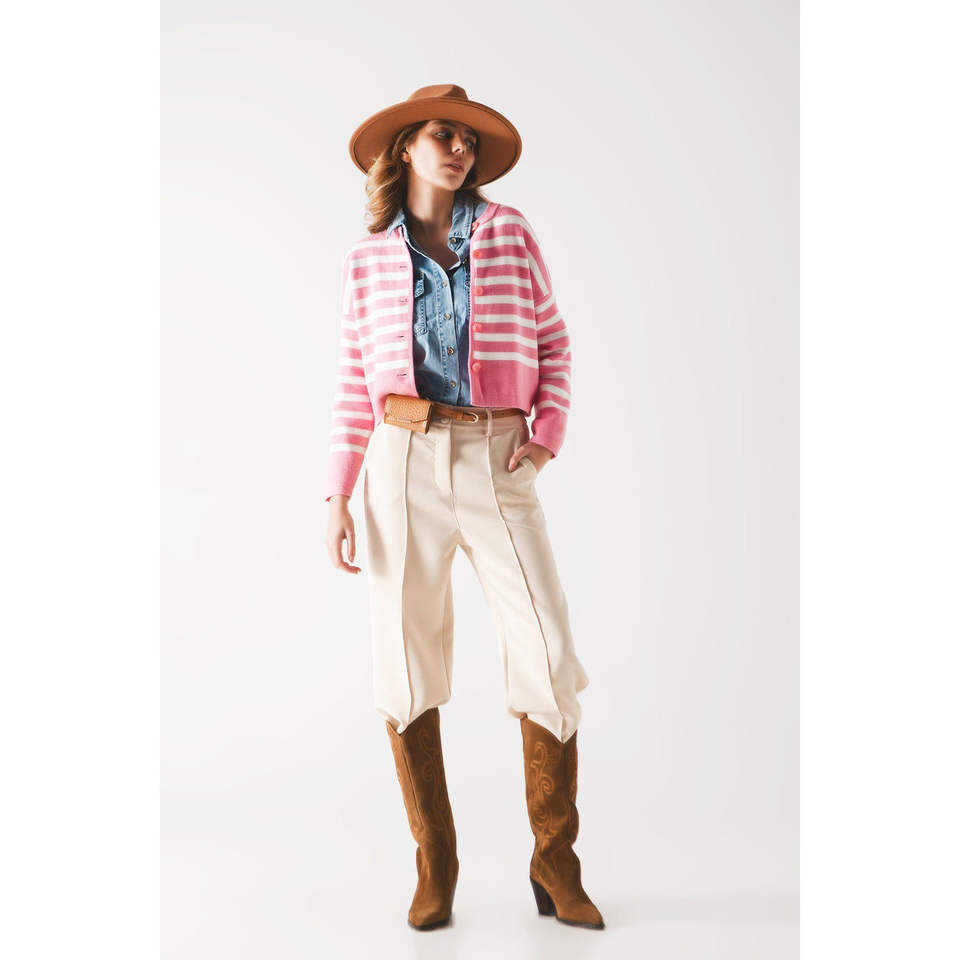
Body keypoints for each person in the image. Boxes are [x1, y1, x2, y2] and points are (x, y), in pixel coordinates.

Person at [323, 84, 604, 932]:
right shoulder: (367, 261)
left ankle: (555, 862)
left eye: (468, 141)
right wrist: (338, 493)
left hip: (495, 457)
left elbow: (553, 340)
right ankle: (435, 862)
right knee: (404, 660)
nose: (458, 151)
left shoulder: (509, 233)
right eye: (443, 136)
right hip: (400, 460)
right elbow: (352, 382)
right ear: (405, 147)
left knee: (547, 648)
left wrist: (545, 436)